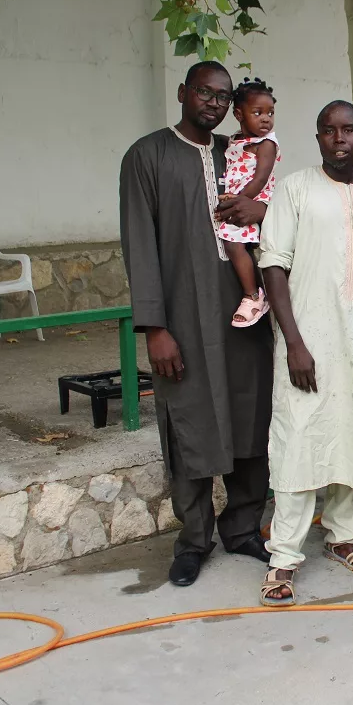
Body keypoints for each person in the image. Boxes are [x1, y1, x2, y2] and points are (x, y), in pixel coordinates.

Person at [119, 61, 274, 588]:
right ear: (183, 93)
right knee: (187, 423)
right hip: (183, 316)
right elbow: (139, 243)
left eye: (222, 96)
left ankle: (244, 526)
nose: (212, 102)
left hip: (242, 314)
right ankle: (193, 539)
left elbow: (271, 218)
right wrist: (154, 327)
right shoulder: (148, 156)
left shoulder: (240, 153)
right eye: (204, 92)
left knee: (250, 416)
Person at [257, 100, 353, 606]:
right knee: (298, 441)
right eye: (328, 131)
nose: (339, 139)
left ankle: (342, 536)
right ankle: (284, 558)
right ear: (318, 138)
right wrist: (293, 341)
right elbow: (273, 265)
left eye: (348, 130)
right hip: (308, 344)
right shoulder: (294, 190)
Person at [216, 77, 281, 327]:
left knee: (234, 246)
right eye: (258, 112)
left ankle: (253, 296)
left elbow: (261, 178)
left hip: (255, 200)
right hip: (240, 199)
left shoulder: (266, 144)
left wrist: (240, 200)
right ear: (239, 115)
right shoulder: (236, 141)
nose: (266, 118)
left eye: (270, 113)